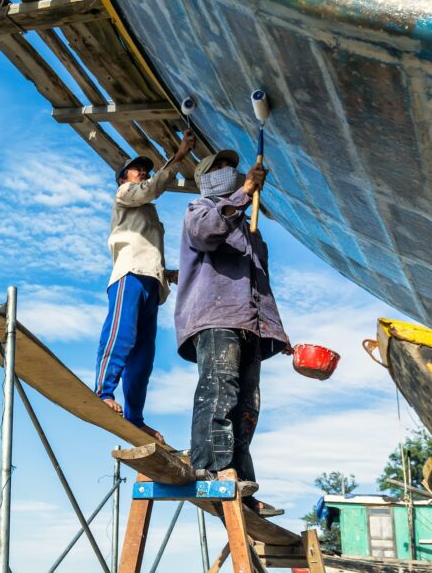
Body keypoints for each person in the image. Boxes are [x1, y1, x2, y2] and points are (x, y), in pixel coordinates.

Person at [174, 149, 291, 517]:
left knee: (247, 406)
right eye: (223, 168)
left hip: (249, 324)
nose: (232, 171)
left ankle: (240, 481)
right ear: (208, 178)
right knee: (219, 387)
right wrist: (243, 193)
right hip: (216, 317)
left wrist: (275, 331)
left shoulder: (249, 228)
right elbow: (208, 233)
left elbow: (260, 286)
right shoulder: (200, 209)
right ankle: (209, 466)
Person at [94, 130, 196, 444]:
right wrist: (177, 158)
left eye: (145, 170)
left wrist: (167, 274)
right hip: (129, 276)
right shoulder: (125, 193)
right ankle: (103, 392)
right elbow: (150, 189)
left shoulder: (145, 210)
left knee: (144, 356)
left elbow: (146, 249)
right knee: (120, 335)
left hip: (151, 281)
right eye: (139, 169)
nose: (144, 173)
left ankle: (135, 418)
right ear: (123, 177)